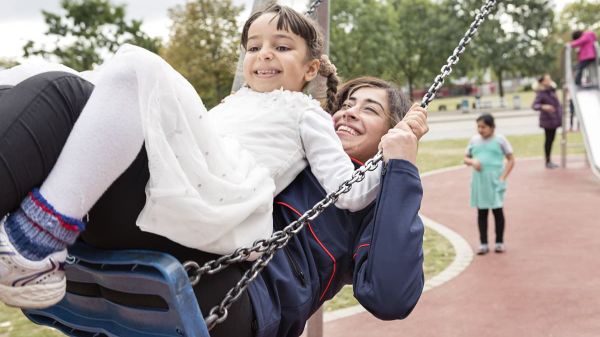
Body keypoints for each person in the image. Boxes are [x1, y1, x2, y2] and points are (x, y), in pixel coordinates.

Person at [0, 4, 431, 311]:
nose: (350, 112)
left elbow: (388, 290)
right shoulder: (246, 105)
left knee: (134, 71)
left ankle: (36, 236)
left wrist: (401, 167)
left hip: (225, 258)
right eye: (348, 103)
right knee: (49, 82)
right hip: (182, 193)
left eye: (370, 109)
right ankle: (34, 235)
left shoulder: (343, 159)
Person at [463, 114, 515, 255]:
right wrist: (473, 162)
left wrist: (503, 177)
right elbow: (466, 158)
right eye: (478, 127)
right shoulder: (474, 140)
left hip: (495, 180)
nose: (480, 130)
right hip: (479, 181)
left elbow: (511, 159)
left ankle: (499, 242)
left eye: (484, 127)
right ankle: (483, 243)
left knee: (497, 211)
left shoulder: (500, 140)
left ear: (492, 127)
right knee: (482, 212)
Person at [532, 74, 562, 169]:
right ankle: (548, 161)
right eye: (547, 79)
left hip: (554, 119)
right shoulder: (541, 93)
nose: (549, 81)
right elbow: (534, 105)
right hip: (547, 121)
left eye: (550, 79)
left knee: (551, 139)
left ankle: (549, 160)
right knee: (548, 140)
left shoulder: (552, 91)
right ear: (543, 82)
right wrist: (544, 106)